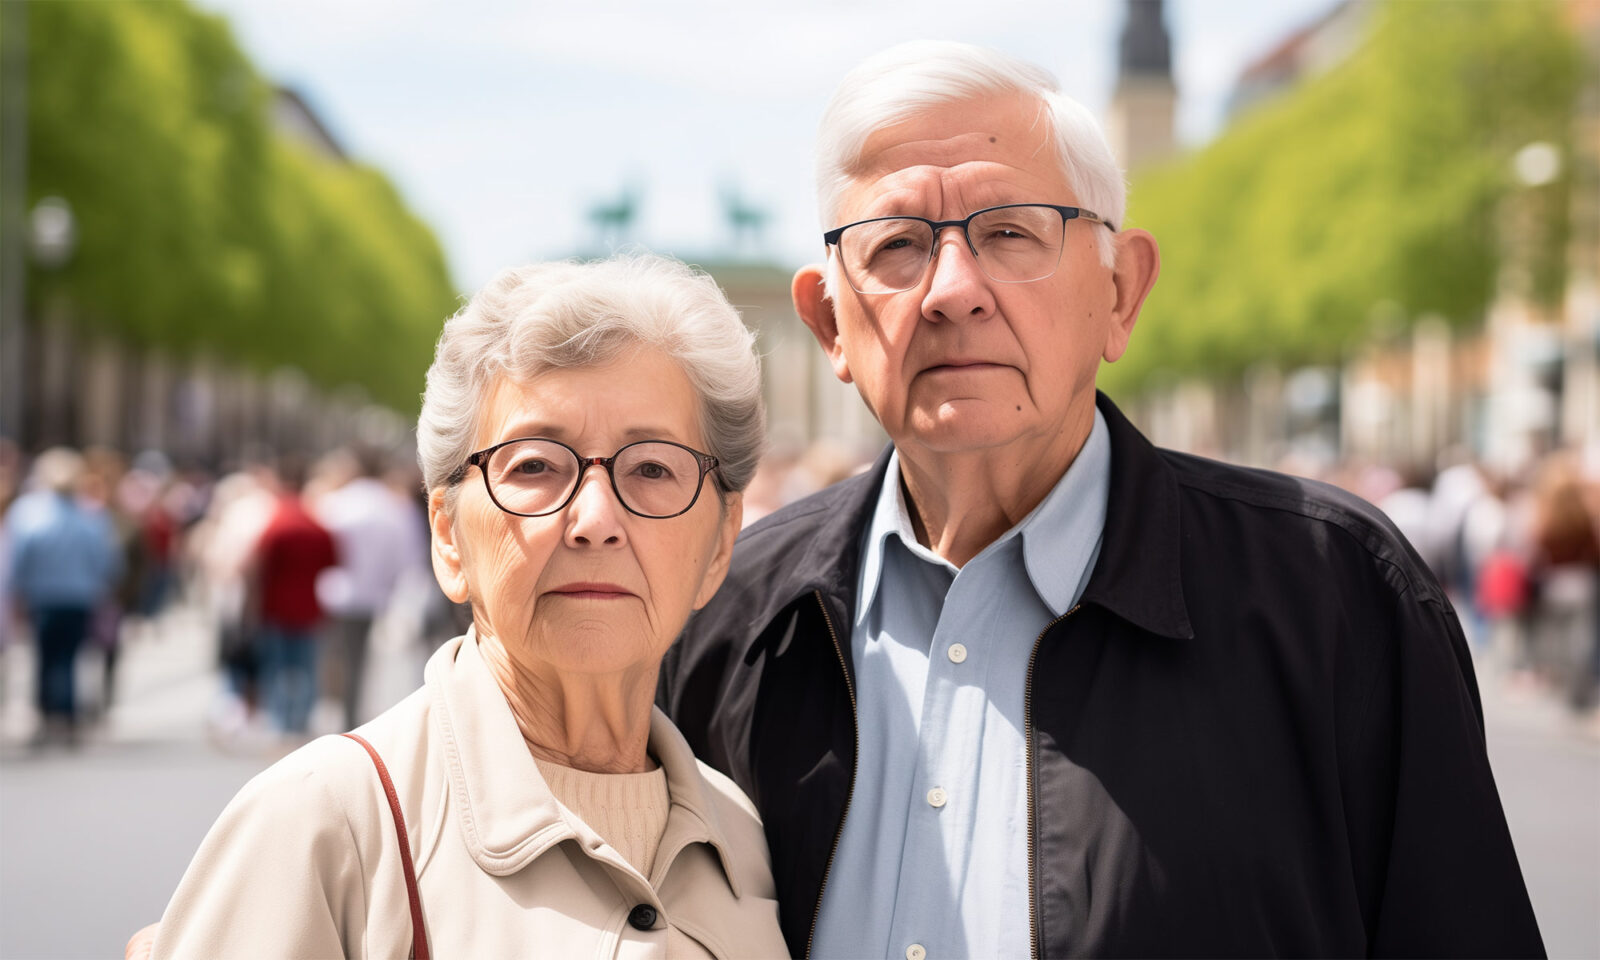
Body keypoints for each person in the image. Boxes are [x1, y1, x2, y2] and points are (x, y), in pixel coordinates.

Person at [657, 41, 1544, 958]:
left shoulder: (1339, 598)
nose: (953, 292)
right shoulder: (720, 613)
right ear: (829, 324)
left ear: (1121, 292)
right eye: (898, 245)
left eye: (1010, 233)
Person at [145, 255, 787, 958]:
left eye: (654, 468)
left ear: (720, 545)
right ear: (448, 535)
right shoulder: (327, 825)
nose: (595, 518)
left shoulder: (743, 838)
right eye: (536, 466)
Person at [4, 447, 121, 745]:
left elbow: (17, 560)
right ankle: (65, 716)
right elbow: (107, 561)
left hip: (43, 596)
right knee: (68, 658)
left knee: (45, 657)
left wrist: (15, 593)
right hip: (78, 597)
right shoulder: (91, 514)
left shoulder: (28, 512)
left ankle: (48, 715)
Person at [249, 460, 340, 736]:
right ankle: (300, 719)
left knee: (276, 667)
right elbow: (332, 561)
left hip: (276, 607)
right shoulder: (314, 523)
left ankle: (280, 721)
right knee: (306, 668)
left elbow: (258, 566)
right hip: (308, 607)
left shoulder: (278, 521)